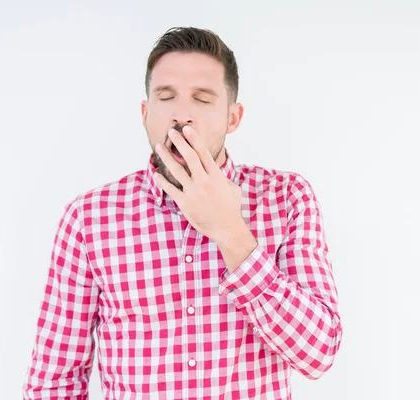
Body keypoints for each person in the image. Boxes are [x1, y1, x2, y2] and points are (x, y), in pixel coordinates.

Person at [22, 26, 343, 400]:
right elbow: (54, 380)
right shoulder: (89, 218)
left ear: (232, 118)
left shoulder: (286, 198)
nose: (182, 115)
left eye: (203, 99)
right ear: (145, 113)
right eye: (166, 97)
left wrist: (231, 231)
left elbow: (318, 355)